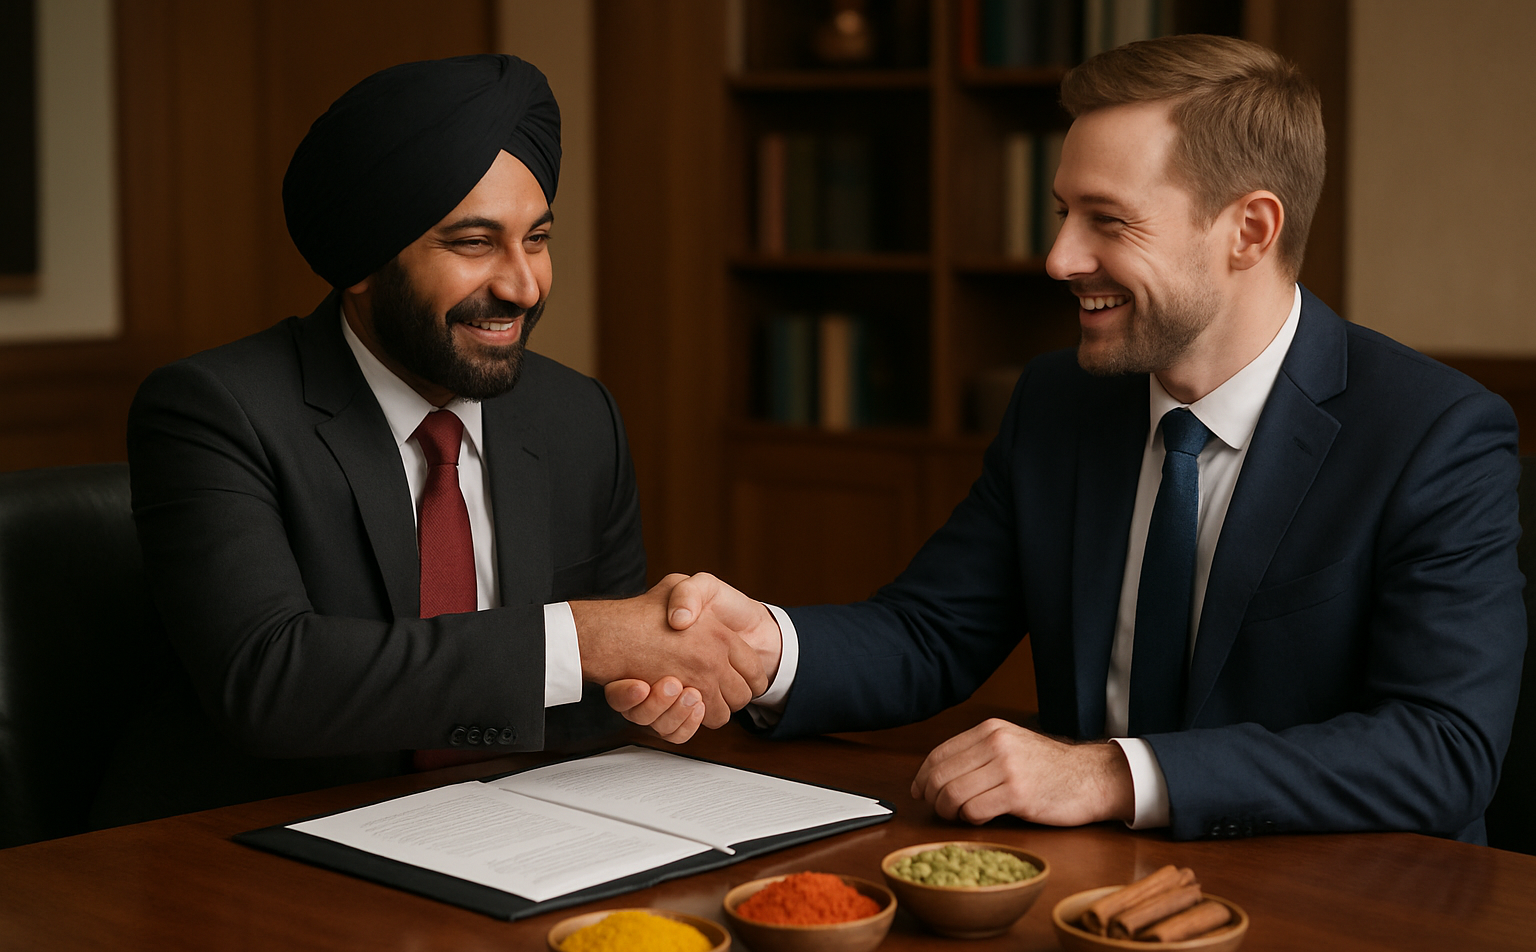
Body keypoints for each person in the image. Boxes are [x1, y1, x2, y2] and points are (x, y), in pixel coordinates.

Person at [632, 35, 1525, 842]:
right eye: (1063, 212)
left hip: (1343, 914)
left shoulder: (1432, 435)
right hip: (1083, 893)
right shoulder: (1060, 399)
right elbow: (931, 631)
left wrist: (1108, 774)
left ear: (1249, 230)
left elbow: (1442, 748)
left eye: (1108, 219)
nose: (1059, 258)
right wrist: (763, 649)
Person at [102, 55, 753, 824]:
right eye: (475, 243)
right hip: (264, 847)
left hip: (520, 836)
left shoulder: (580, 416)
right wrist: (583, 638)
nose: (523, 286)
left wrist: (647, 683)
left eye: (537, 238)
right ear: (361, 261)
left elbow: (591, 697)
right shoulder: (212, 410)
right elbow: (269, 679)